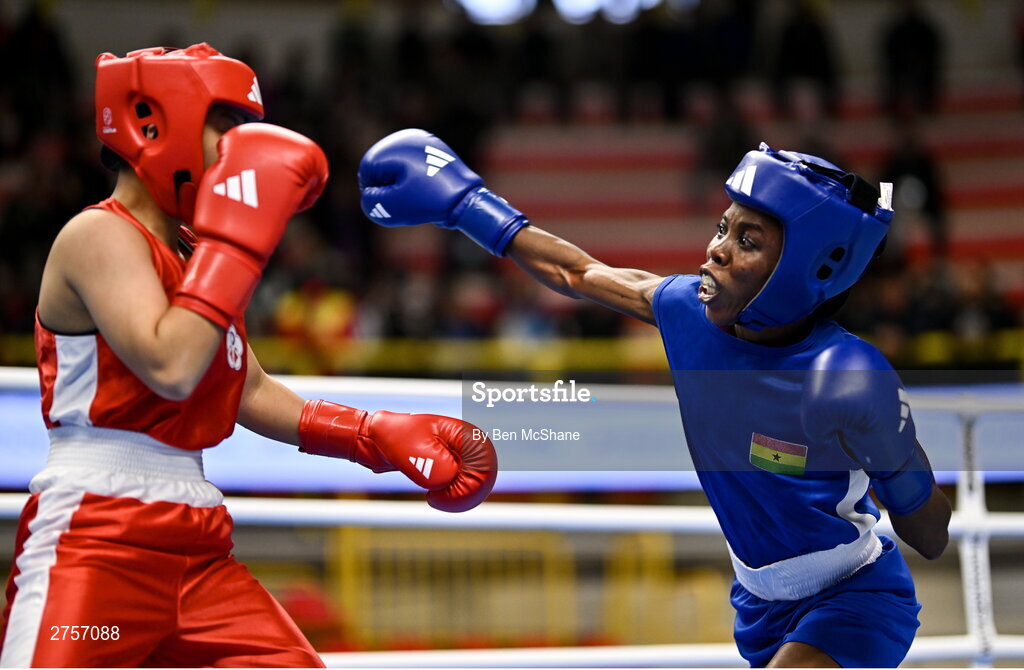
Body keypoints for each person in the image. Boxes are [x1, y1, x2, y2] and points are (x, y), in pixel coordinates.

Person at [357, 129, 952, 668]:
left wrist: (899, 462)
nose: (717, 249)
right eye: (723, 227)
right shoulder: (686, 312)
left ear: (810, 265)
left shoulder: (842, 374)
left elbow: (930, 536)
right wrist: (468, 206)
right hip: (759, 604)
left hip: (855, 598)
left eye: (748, 239)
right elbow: (579, 274)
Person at [0, 46, 497, 668]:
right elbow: (170, 366)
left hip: (198, 543)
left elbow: (246, 387)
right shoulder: (99, 235)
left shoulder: (192, 252)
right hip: (96, 537)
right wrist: (238, 242)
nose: (237, 150)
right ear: (152, 121)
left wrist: (369, 435)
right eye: (225, 127)